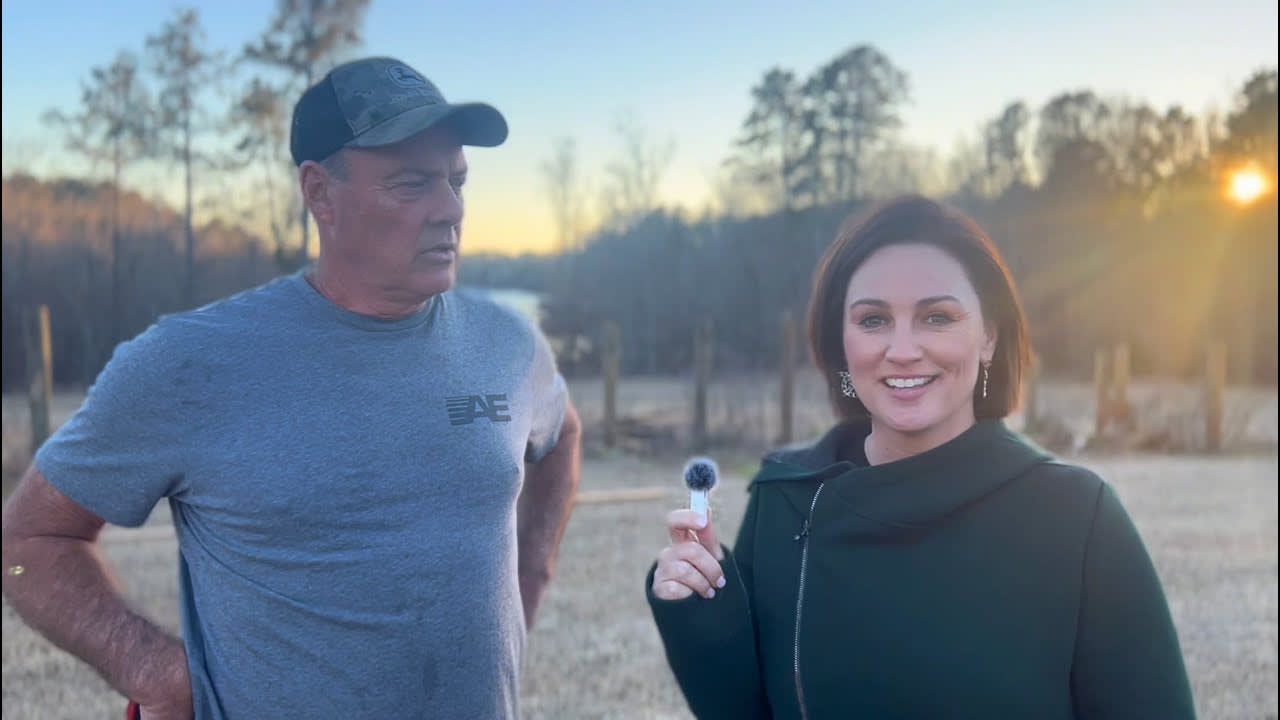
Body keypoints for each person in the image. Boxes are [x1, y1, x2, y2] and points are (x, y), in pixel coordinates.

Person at [2, 56, 581, 720]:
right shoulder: (190, 361)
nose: (449, 209)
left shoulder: (506, 342)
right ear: (320, 194)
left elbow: (561, 432)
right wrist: (154, 671)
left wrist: (530, 574)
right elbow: (29, 541)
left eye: (456, 180)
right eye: (412, 183)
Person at [646, 195, 1196, 719]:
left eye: (937, 317)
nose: (903, 349)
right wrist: (703, 607)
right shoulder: (787, 499)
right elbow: (750, 710)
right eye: (873, 320)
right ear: (842, 342)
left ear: (988, 337)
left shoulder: (1078, 518)